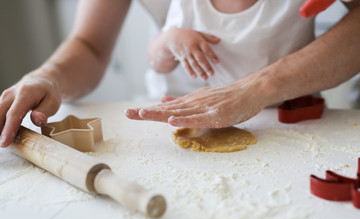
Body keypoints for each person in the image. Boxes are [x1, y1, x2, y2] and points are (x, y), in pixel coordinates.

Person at [0, 0, 359, 148]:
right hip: (169, 117)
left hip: (288, 124)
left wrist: (264, 85)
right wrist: (49, 76)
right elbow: (89, 45)